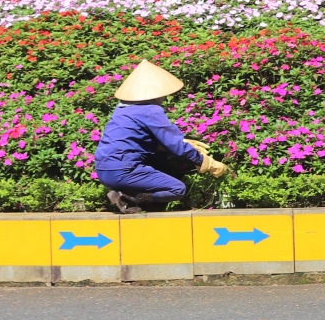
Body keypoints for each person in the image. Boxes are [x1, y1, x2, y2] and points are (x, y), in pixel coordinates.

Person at [93, 60, 226, 214]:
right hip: (123, 170)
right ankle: (127, 197)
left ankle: (132, 199)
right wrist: (205, 162)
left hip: (103, 170)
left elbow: (136, 141)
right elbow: (175, 144)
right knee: (177, 189)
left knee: (160, 156)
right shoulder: (150, 110)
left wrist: (171, 145)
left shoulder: (122, 110)